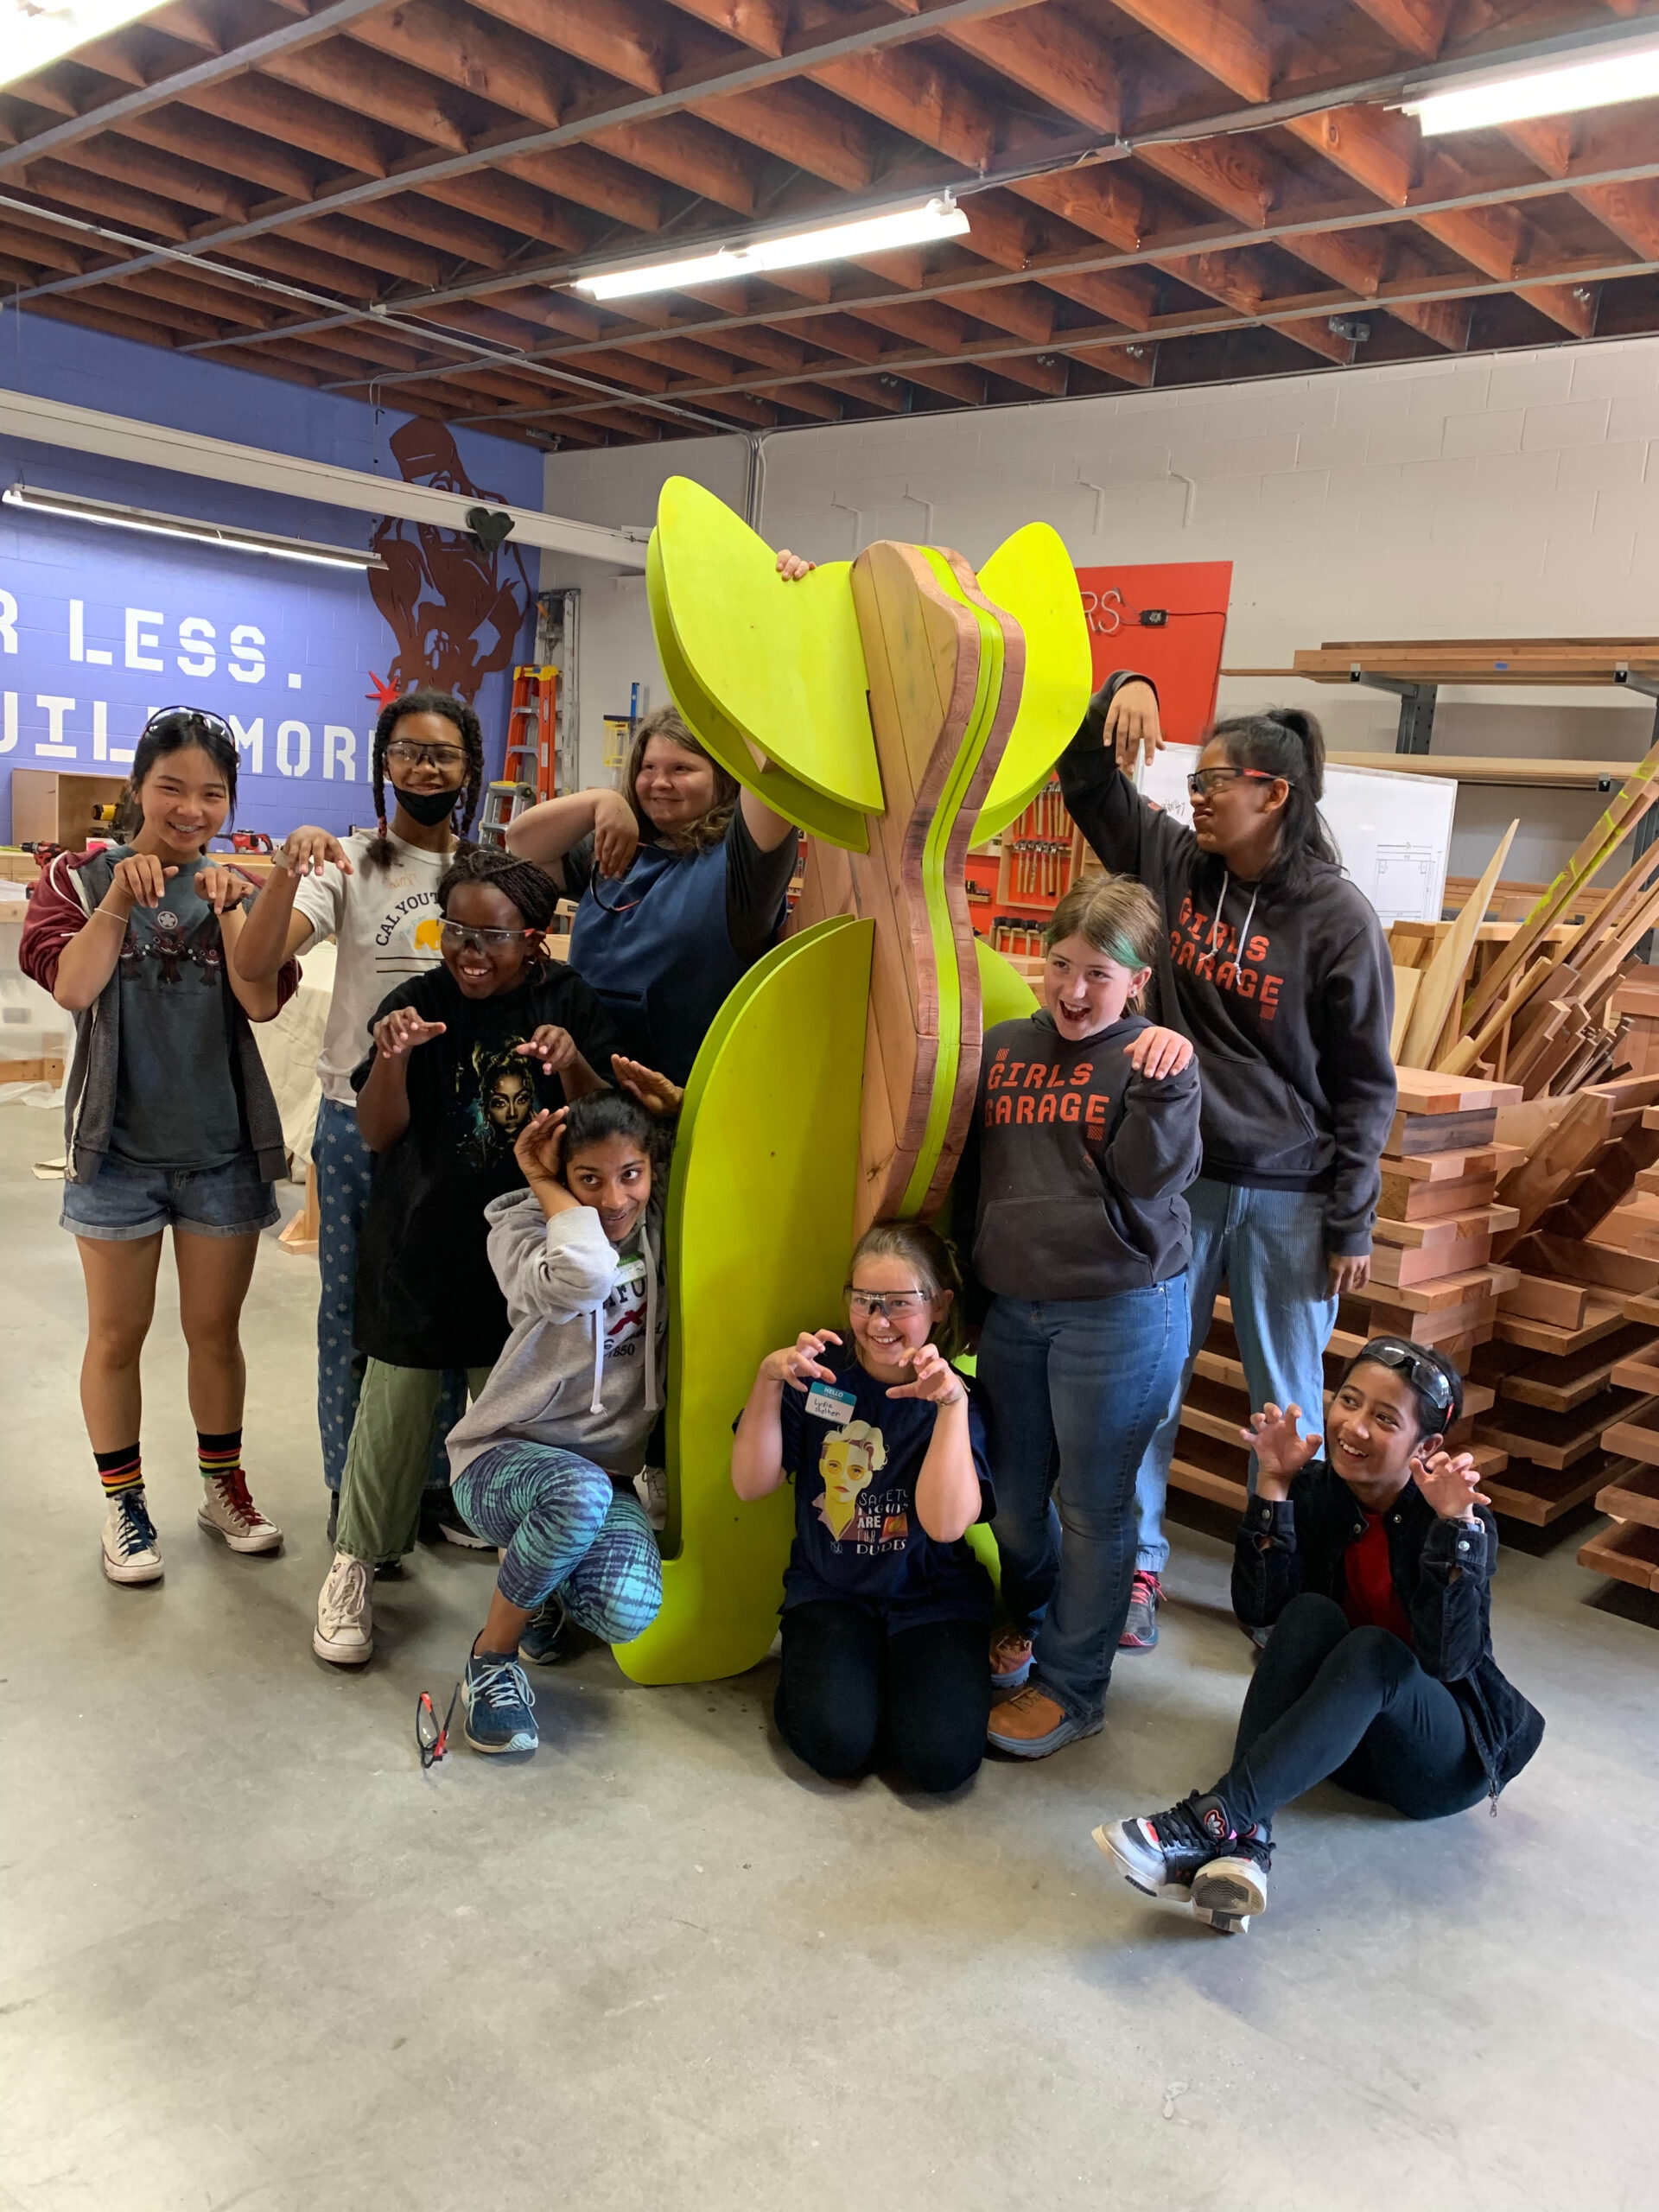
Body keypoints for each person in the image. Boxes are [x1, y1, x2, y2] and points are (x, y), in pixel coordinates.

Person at [1059, 678, 1395, 1656]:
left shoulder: (1338, 918)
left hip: (1293, 1200)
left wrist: (1354, 1216)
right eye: (1192, 779)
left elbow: (1367, 1082)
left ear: (1275, 794)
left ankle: (1281, 1582)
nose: (1195, 796)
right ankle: (1137, 1567)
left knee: (1284, 1405)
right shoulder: (1173, 863)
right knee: (1150, 1383)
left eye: (1215, 781)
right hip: (1182, 1182)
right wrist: (1119, 692)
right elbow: (1084, 777)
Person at [1094, 1338, 1544, 1936]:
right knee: (1308, 1612)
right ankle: (1245, 1848)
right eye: (1348, 1401)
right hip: (1342, 1746)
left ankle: (1211, 1822)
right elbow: (1263, 1617)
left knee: (1376, 1649)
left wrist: (1452, 1533)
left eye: (1385, 1419)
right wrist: (1274, 1488)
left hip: (1436, 1763)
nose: (1353, 1427)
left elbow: (1449, 1660)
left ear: (1427, 1446)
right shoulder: (1316, 1490)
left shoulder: (1460, 1519)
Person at [311, 844, 620, 1664]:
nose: (468, 953)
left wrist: (573, 1063)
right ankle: (357, 1562)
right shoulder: (417, 1002)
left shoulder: (567, 1002)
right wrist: (391, 1057)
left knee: (519, 1428)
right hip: (420, 1246)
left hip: (523, 1259)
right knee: (394, 1410)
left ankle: (536, 1583)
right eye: (454, 931)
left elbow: (611, 1131)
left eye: (491, 937)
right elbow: (379, 1134)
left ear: (534, 937)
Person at [22, 707, 297, 1584]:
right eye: (172, 786)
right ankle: (125, 1503)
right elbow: (72, 987)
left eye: (212, 793)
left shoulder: (236, 887)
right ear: (138, 786)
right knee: (116, 1334)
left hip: (220, 1153)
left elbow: (260, 1001)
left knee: (215, 1333)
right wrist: (114, 898)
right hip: (116, 1154)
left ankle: (224, 1489)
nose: (191, 807)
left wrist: (231, 906)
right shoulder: (73, 876)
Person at [953, 875, 1202, 1758]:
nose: (1072, 989)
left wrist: (1165, 1088)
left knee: (1094, 1505)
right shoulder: (1008, 1045)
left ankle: (1072, 1686)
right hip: (1017, 1308)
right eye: (1060, 964)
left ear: (1138, 979)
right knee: (1015, 1502)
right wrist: (973, 1299)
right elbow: (977, 1180)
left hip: (1119, 1312)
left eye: (1099, 973)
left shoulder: (1157, 1061)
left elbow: (1146, 1183)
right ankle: (1048, 1617)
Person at [234, 690, 484, 1540]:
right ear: (383, 763)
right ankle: (353, 1489)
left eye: (445, 754)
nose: (426, 767)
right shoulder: (349, 862)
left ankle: (434, 1484)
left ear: (469, 770)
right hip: (352, 1120)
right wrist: (282, 871)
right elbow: (259, 964)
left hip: (452, 1128)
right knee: (353, 1310)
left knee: (445, 1307)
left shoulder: (477, 873)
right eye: (410, 751)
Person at [443, 1075, 679, 1756]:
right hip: (499, 1463)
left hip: (603, 1472)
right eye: (588, 1179)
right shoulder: (522, 1230)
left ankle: (540, 1581)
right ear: (558, 1172)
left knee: (628, 1610)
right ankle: (490, 1660)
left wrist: (680, 1115)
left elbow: (729, 1162)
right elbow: (584, 1275)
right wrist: (540, 1184)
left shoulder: (658, 1219)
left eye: (631, 1174)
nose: (614, 1199)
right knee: (574, 1493)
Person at [733, 1222, 996, 1796]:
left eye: (899, 1304)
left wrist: (951, 1407)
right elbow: (751, 1484)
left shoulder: (960, 1394)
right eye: (864, 1301)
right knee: (835, 1745)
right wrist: (768, 1381)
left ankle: (893, 1681)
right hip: (832, 1592)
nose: (879, 1322)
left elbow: (947, 1523)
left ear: (940, 1306)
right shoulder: (822, 1375)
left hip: (933, 1598)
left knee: (942, 1763)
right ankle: (852, 1680)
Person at [505, 701, 798, 1087]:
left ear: (723, 777)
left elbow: (773, 767)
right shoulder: (619, 849)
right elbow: (520, 845)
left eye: (682, 769)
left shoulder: (742, 862)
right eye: (649, 768)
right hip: (588, 1091)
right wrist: (601, 801)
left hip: (687, 1098)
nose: (660, 783)